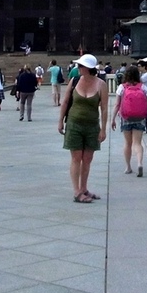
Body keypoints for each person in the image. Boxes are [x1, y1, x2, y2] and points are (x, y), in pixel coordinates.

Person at [58, 53, 108, 203]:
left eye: (80, 66)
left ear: (88, 68)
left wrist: (103, 129)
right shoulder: (74, 81)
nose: (78, 68)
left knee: (87, 159)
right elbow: (66, 101)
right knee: (76, 158)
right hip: (74, 124)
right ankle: (76, 191)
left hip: (92, 125)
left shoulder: (101, 85)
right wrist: (60, 121)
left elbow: (104, 108)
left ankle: (84, 188)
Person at [111, 65, 147, 177]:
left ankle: (128, 167)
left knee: (127, 143)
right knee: (137, 143)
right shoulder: (142, 87)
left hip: (126, 117)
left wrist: (112, 119)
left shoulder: (122, 87)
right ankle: (140, 163)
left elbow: (117, 104)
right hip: (140, 117)